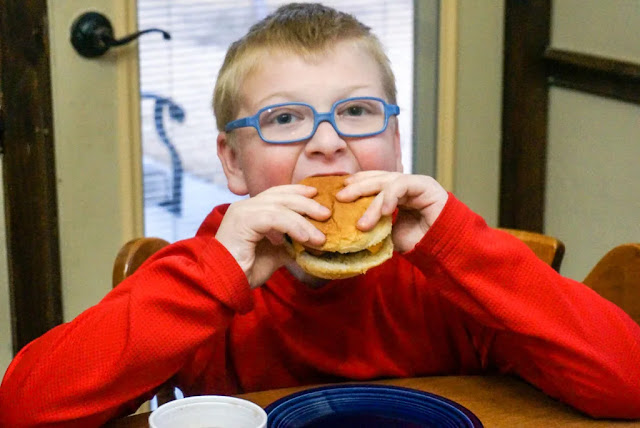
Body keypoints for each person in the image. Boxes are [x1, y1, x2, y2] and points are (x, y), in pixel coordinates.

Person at [1, 3, 639, 426]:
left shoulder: (451, 277)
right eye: (284, 119)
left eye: (358, 111)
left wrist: (458, 248)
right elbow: (25, 409)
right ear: (232, 163)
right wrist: (212, 275)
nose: (329, 142)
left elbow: (628, 383)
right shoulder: (207, 279)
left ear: (394, 140)